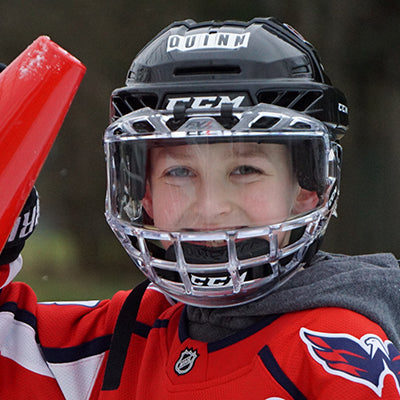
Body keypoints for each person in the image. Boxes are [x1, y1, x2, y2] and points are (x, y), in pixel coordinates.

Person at [1, 18, 400, 399]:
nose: (211, 208)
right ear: (146, 194)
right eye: (179, 171)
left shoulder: (345, 355)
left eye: (246, 169)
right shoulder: (116, 339)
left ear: (307, 190)